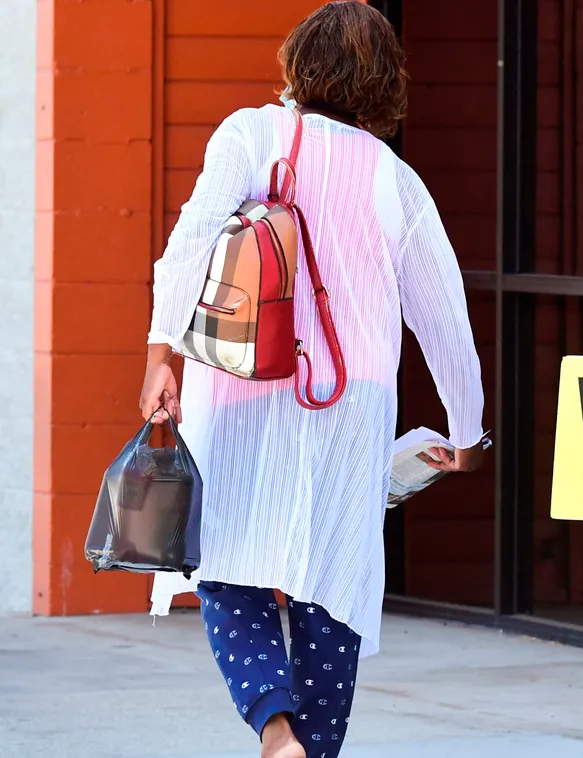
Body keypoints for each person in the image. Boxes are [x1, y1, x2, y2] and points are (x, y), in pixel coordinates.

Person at [137, 4, 486, 757]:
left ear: (297, 62)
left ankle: (275, 726)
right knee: (334, 582)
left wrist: (159, 352)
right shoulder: (397, 181)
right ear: (382, 83)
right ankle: (315, 746)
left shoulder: (250, 133)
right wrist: (465, 431)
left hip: (237, 382)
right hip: (350, 401)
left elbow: (190, 242)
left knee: (225, 563)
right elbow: (444, 321)